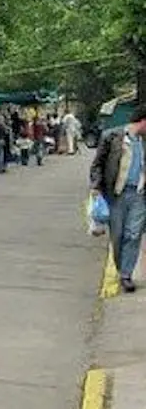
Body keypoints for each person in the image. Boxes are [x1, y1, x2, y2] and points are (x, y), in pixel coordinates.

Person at [90, 109, 146, 292]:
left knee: (134, 234)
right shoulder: (112, 136)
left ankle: (126, 275)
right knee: (118, 235)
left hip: (138, 194)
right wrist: (96, 187)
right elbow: (98, 163)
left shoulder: (143, 142)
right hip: (116, 193)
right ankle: (121, 267)